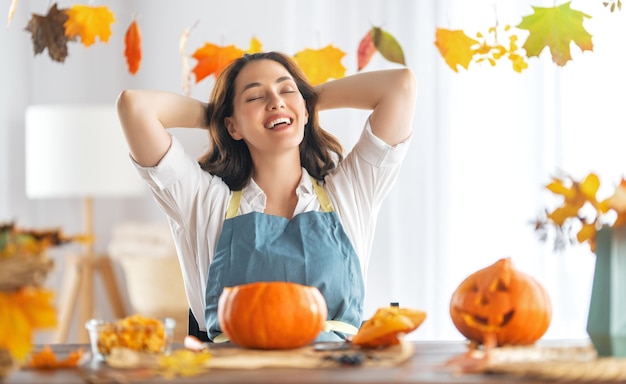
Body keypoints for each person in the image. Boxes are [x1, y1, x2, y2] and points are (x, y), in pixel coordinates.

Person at [116, 51, 416, 342]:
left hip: (333, 373)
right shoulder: (204, 202)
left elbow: (400, 86)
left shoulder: (350, 192)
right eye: (255, 97)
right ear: (232, 126)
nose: (275, 101)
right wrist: (220, 115)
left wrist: (305, 100)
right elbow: (135, 106)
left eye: (286, 90)